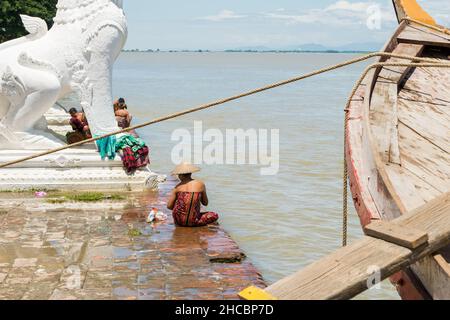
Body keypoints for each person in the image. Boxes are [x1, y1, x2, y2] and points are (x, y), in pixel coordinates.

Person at [167, 162, 219, 227]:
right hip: (194, 222)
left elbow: (169, 206)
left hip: (179, 221)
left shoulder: (177, 187)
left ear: (180, 175)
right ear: (190, 173)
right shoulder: (200, 184)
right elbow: (205, 203)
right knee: (214, 215)